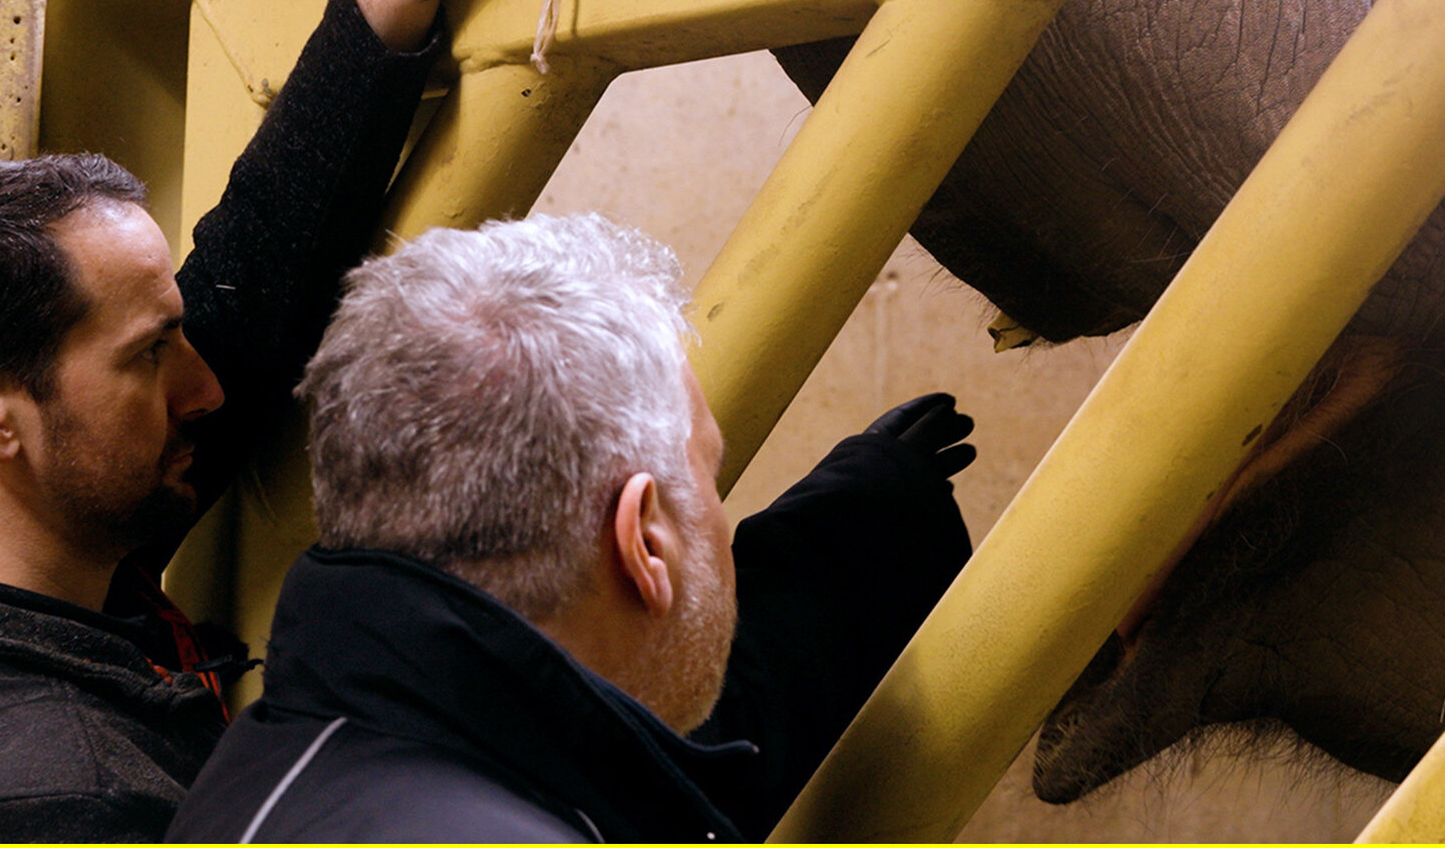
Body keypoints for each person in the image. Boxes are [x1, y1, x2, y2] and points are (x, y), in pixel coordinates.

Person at [0, 0, 612, 839]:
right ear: (2, 421)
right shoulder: (62, 794)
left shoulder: (60, 531)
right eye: (148, 357)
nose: (209, 385)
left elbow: (259, 269)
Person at [164, 215, 975, 842]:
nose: (722, 523)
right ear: (646, 542)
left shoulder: (259, 778)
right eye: (709, 480)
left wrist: (863, 528)